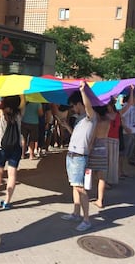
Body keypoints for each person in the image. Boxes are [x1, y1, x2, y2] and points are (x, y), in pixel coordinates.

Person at [60, 81, 97, 232]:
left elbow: (88, 107)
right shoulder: (80, 118)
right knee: (75, 186)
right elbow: (77, 135)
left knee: (80, 188)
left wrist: (83, 91)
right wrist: (67, 126)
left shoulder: (90, 116)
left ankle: (86, 219)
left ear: (79, 104)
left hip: (79, 156)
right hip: (72, 155)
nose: (73, 109)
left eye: (74, 105)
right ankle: (76, 213)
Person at [88, 106, 110, 209]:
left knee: (88, 173)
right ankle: (100, 199)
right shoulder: (107, 121)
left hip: (95, 149)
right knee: (101, 176)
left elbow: (92, 138)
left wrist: (88, 148)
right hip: (103, 148)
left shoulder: (96, 123)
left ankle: (86, 195)